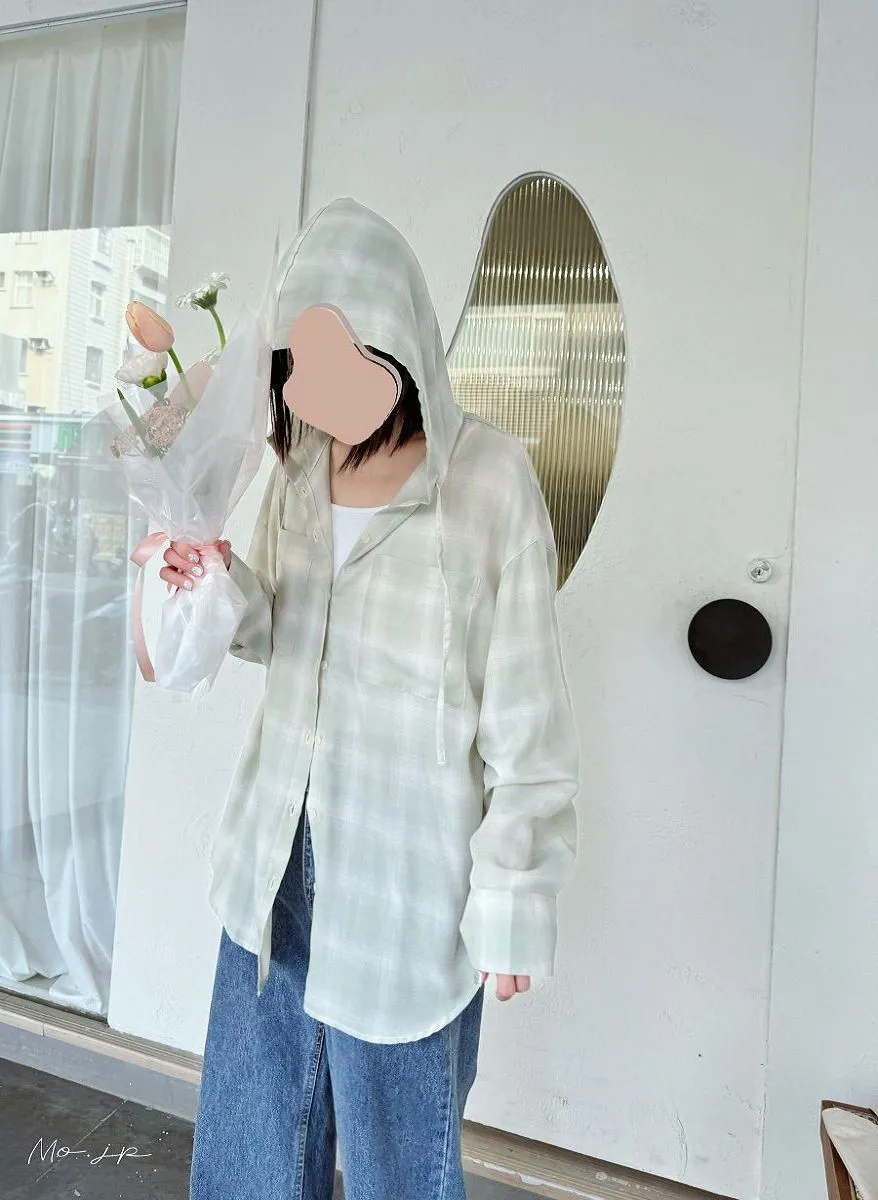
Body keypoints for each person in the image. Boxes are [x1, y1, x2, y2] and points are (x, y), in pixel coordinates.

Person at [162, 198, 580, 1200]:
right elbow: (278, 630)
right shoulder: (303, 469)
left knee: (400, 1166)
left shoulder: (490, 480)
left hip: (408, 880)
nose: (310, 387)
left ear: (395, 339)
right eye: (296, 363)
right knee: (251, 1154)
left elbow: (527, 720)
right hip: (273, 856)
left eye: (334, 357)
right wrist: (211, 579)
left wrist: (512, 898)